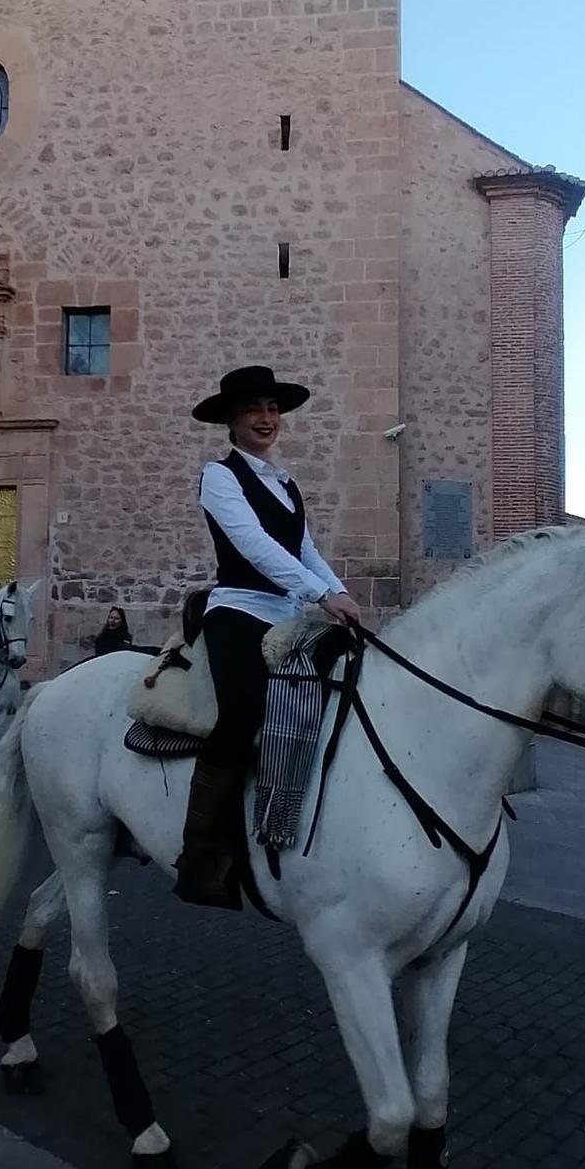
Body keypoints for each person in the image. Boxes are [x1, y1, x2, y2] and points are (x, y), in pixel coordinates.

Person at [175, 364, 360, 908]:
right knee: (244, 712)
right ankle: (200, 851)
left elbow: (305, 551)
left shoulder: (285, 484)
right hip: (239, 609)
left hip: (289, 612)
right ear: (232, 421)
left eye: (273, 409)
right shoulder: (219, 476)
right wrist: (321, 595)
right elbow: (253, 544)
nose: (266, 418)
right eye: (253, 409)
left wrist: (340, 593)